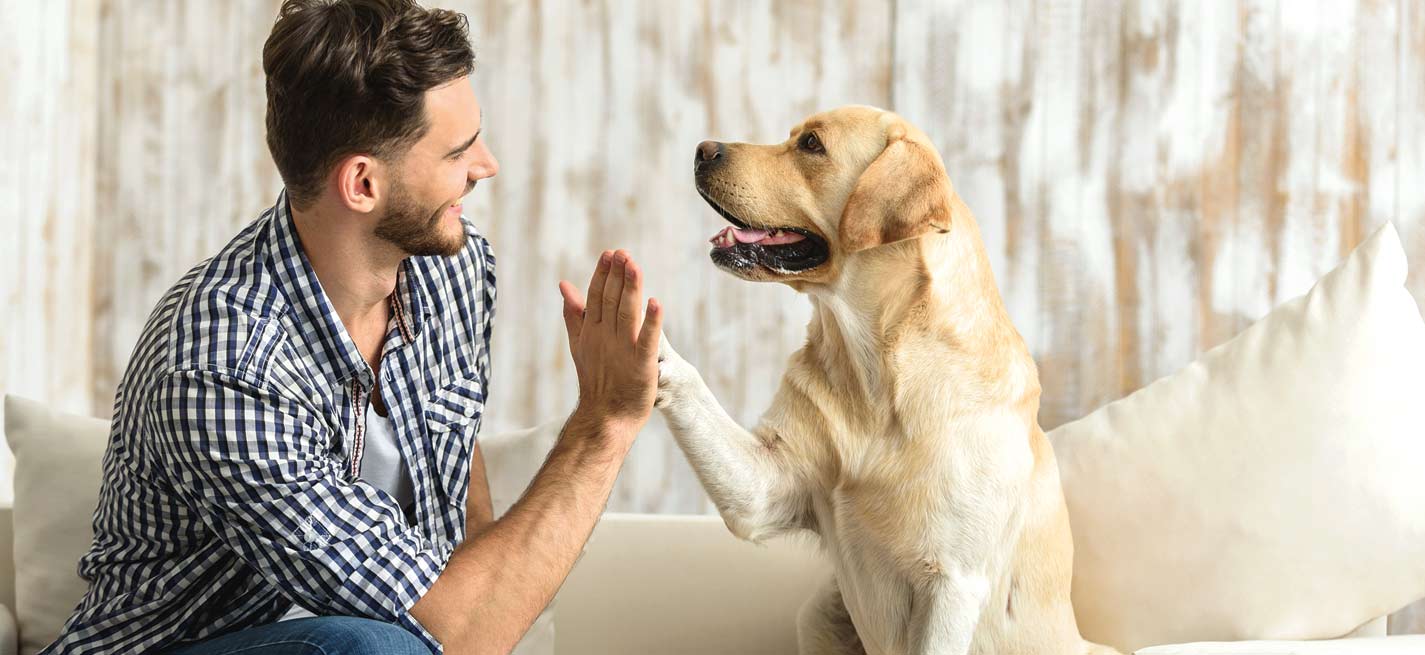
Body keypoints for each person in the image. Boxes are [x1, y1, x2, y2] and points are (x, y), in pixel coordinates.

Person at [43, 1, 662, 653]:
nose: (487, 165)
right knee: (368, 647)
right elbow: (458, 627)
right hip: (179, 644)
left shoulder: (451, 268)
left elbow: (462, 516)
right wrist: (604, 423)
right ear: (362, 183)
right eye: (457, 151)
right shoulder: (222, 360)